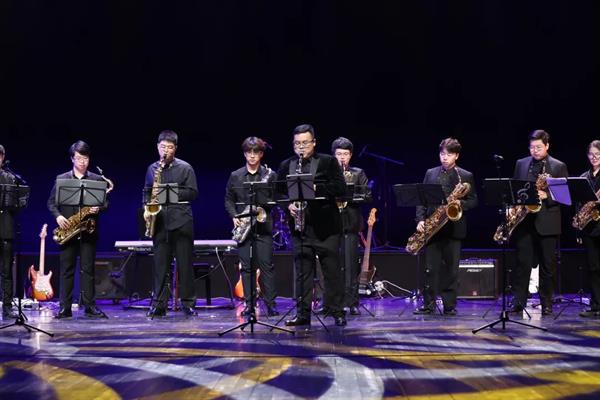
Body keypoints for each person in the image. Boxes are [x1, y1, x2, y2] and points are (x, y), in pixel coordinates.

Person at [276, 123, 347, 327]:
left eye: (305, 143)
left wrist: (316, 188)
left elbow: (340, 188)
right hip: (301, 228)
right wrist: (288, 205)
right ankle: (303, 314)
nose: (301, 147)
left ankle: (337, 311)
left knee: (332, 272)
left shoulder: (328, 161)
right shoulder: (286, 165)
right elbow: (277, 192)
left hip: (327, 228)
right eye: (297, 143)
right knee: (302, 274)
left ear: (314, 142)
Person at [413, 138, 478, 315]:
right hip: (432, 228)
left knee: (451, 270)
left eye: (449, 154)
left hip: (454, 229)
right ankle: (429, 304)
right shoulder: (430, 173)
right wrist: (420, 219)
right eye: (442, 154)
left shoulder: (465, 175)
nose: (444, 157)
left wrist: (459, 204)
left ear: (456, 155)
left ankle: (449, 306)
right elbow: (422, 199)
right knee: (430, 269)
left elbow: (473, 200)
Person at [510, 130, 568, 316]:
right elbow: (515, 189)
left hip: (547, 222)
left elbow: (565, 196)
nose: (534, 151)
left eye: (539, 147)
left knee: (547, 266)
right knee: (522, 264)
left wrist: (547, 195)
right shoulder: (521, 164)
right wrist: (512, 207)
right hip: (524, 221)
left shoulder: (558, 166)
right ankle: (518, 302)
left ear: (547, 146)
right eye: (532, 147)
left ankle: (546, 303)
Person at [48, 140, 107, 319]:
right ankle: (64, 308)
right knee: (67, 270)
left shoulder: (96, 179)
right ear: (72, 159)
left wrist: (99, 208)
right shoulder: (62, 179)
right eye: (79, 158)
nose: (83, 162)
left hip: (88, 230)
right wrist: (58, 216)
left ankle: (90, 307)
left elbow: (105, 203)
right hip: (68, 229)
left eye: (86, 158)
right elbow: (51, 203)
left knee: (88, 270)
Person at [144, 130, 198, 318]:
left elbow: (193, 193)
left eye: (169, 147)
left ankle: (188, 304)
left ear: (175, 148)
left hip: (182, 222)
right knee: (160, 267)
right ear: (157, 147)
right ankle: (159, 304)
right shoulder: (152, 168)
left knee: (185, 265)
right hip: (159, 223)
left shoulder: (185, 168)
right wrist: (146, 208)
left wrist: (169, 193)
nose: (165, 150)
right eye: (162, 147)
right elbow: (146, 191)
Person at [225, 137, 278, 317]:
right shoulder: (236, 175)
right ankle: (249, 304)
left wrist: (264, 206)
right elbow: (228, 199)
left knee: (266, 266)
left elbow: (276, 199)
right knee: (246, 268)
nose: (252, 155)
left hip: (264, 226)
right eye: (249, 152)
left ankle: (271, 305)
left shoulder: (270, 175)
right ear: (245, 153)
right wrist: (234, 215)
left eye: (256, 152)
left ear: (261, 154)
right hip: (244, 225)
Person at [331, 137, 372, 315]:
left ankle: (352, 302)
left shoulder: (358, 173)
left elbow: (367, 196)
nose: (342, 157)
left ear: (351, 155)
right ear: (334, 155)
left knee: (351, 266)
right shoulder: (328, 173)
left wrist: (349, 195)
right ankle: (332, 303)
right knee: (332, 266)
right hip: (332, 225)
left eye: (346, 154)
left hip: (351, 224)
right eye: (339, 154)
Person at [576, 140, 600, 318]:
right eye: (591, 154)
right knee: (593, 268)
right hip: (590, 228)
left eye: (598, 154)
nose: (594, 157)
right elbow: (578, 202)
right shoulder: (584, 177)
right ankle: (596, 305)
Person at [0, 145, 17, 318]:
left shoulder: (10, 178)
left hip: (5, 229)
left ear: (3, 157)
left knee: (6, 271)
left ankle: (7, 306)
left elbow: (15, 205)